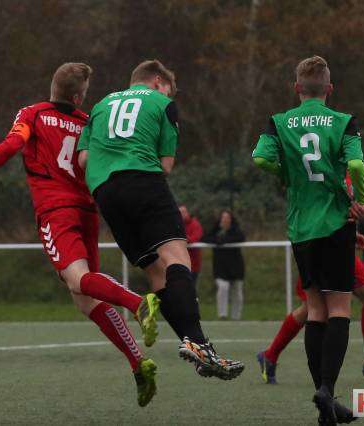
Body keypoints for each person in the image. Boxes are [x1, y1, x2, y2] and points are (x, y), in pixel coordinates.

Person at [0, 63, 160, 407]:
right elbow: (103, 161)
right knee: (85, 297)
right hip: (87, 211)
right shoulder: (88, 122)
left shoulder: (32, 114)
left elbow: (11, 145)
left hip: (55, 211)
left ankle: (138, 303)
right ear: (78, 97)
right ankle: (138, 364)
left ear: (53, 86)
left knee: (78, 281)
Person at [77, 59, 244, 380]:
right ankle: (198, 343)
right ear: (157, 82)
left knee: (156, 273)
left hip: (105, 193)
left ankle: (198, 346)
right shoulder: (161, 103)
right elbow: (166, 165)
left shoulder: (100, 105)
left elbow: (84, 159)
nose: (170, 95)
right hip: (143, 181)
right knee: (177, 258)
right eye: (169, 89)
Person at [252, 55, 364, 425]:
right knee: (340, 309)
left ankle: (325, 401)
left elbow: (260, 158)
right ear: (329, 89)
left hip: (300, 226)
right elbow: (355, 165)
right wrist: (362, 200)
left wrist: (285, 174)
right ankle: (327, 389)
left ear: (296, 88)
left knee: (315, 310)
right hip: (336, 222)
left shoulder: (279, 121)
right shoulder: (344, 121)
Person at [257, 232, 364, 386]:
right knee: (313, 309)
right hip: (319, 245)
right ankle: (270, 355)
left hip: (340, 246)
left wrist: (351, 233)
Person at [203, 210, 246, 320]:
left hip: (236, 266)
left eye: (227, 218)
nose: (225, 220)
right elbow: (205, 238)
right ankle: (222, 315)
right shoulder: (215, 230)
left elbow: (241, 237)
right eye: (223, 217)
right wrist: (217, 240)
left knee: (237, 292)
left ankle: (236, 317)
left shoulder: (236, 230)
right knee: (223, 287)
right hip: (220, 267)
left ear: (231, 220)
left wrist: (225, 240)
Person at [178, 205, 203, 288]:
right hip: (179, 263)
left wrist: (184, 239)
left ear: (187, 213)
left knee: (191, 288)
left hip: (193, 264)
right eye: (180, 213)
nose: (182, 214)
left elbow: (196, 237)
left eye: (183, 212)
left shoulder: (195, 224)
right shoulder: (176, 224)